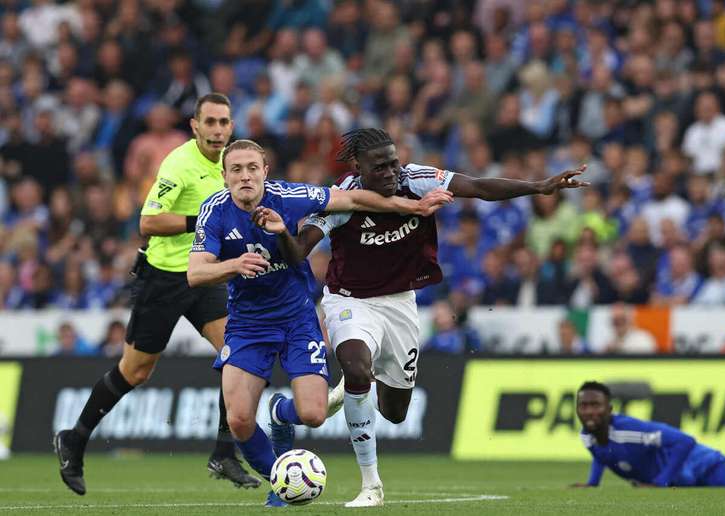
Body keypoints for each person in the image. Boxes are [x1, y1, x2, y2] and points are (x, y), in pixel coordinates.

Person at [272, 128, 588, 507]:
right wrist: (278, 233)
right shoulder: (341, 199)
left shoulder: (417, 179)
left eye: (394, 163)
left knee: (395, 413)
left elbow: (479, 187)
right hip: (349, 301)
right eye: (381, 167)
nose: (391, 172)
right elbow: (300, 249)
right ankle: (371, 484)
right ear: (359, 168)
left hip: (401, 304)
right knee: (357, 368)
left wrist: (540, 187)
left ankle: (346, 393)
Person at [188, 139, 451, 507]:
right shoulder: (214, 210)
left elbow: (356, 199)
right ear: (224, 176)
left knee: (312, 414)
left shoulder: (292, 196)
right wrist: (235, 265)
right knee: (240, 421)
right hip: (248, 324)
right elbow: (195, 274)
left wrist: (414, 206)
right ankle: (281, 479)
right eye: (236, 170)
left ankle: (281, 412)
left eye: (251, 168)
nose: (244, 176)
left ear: (265, 171)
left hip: (297, 319)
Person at [54, 94, 259, 495]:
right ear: (195, 126)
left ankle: (224, 452)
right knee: (136, 371)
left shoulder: (234, 164)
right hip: (165, 277)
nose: (218, 130)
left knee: (240, 354)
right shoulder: (179, 164)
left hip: (206, 275)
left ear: (232, 127)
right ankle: (74, 438)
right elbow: (148, 222)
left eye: (224, 123)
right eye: (211, 123)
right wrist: (202, 218)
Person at [574, 381, 725, 487]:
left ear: (609, 409)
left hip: (700, 465)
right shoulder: (587, 436)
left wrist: (661, 482)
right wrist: (593, 483)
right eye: (583, 406)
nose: (589, 411)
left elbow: (684, 442)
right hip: (682, 482)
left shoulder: (630, 432)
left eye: (595, 405)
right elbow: (601, 453)